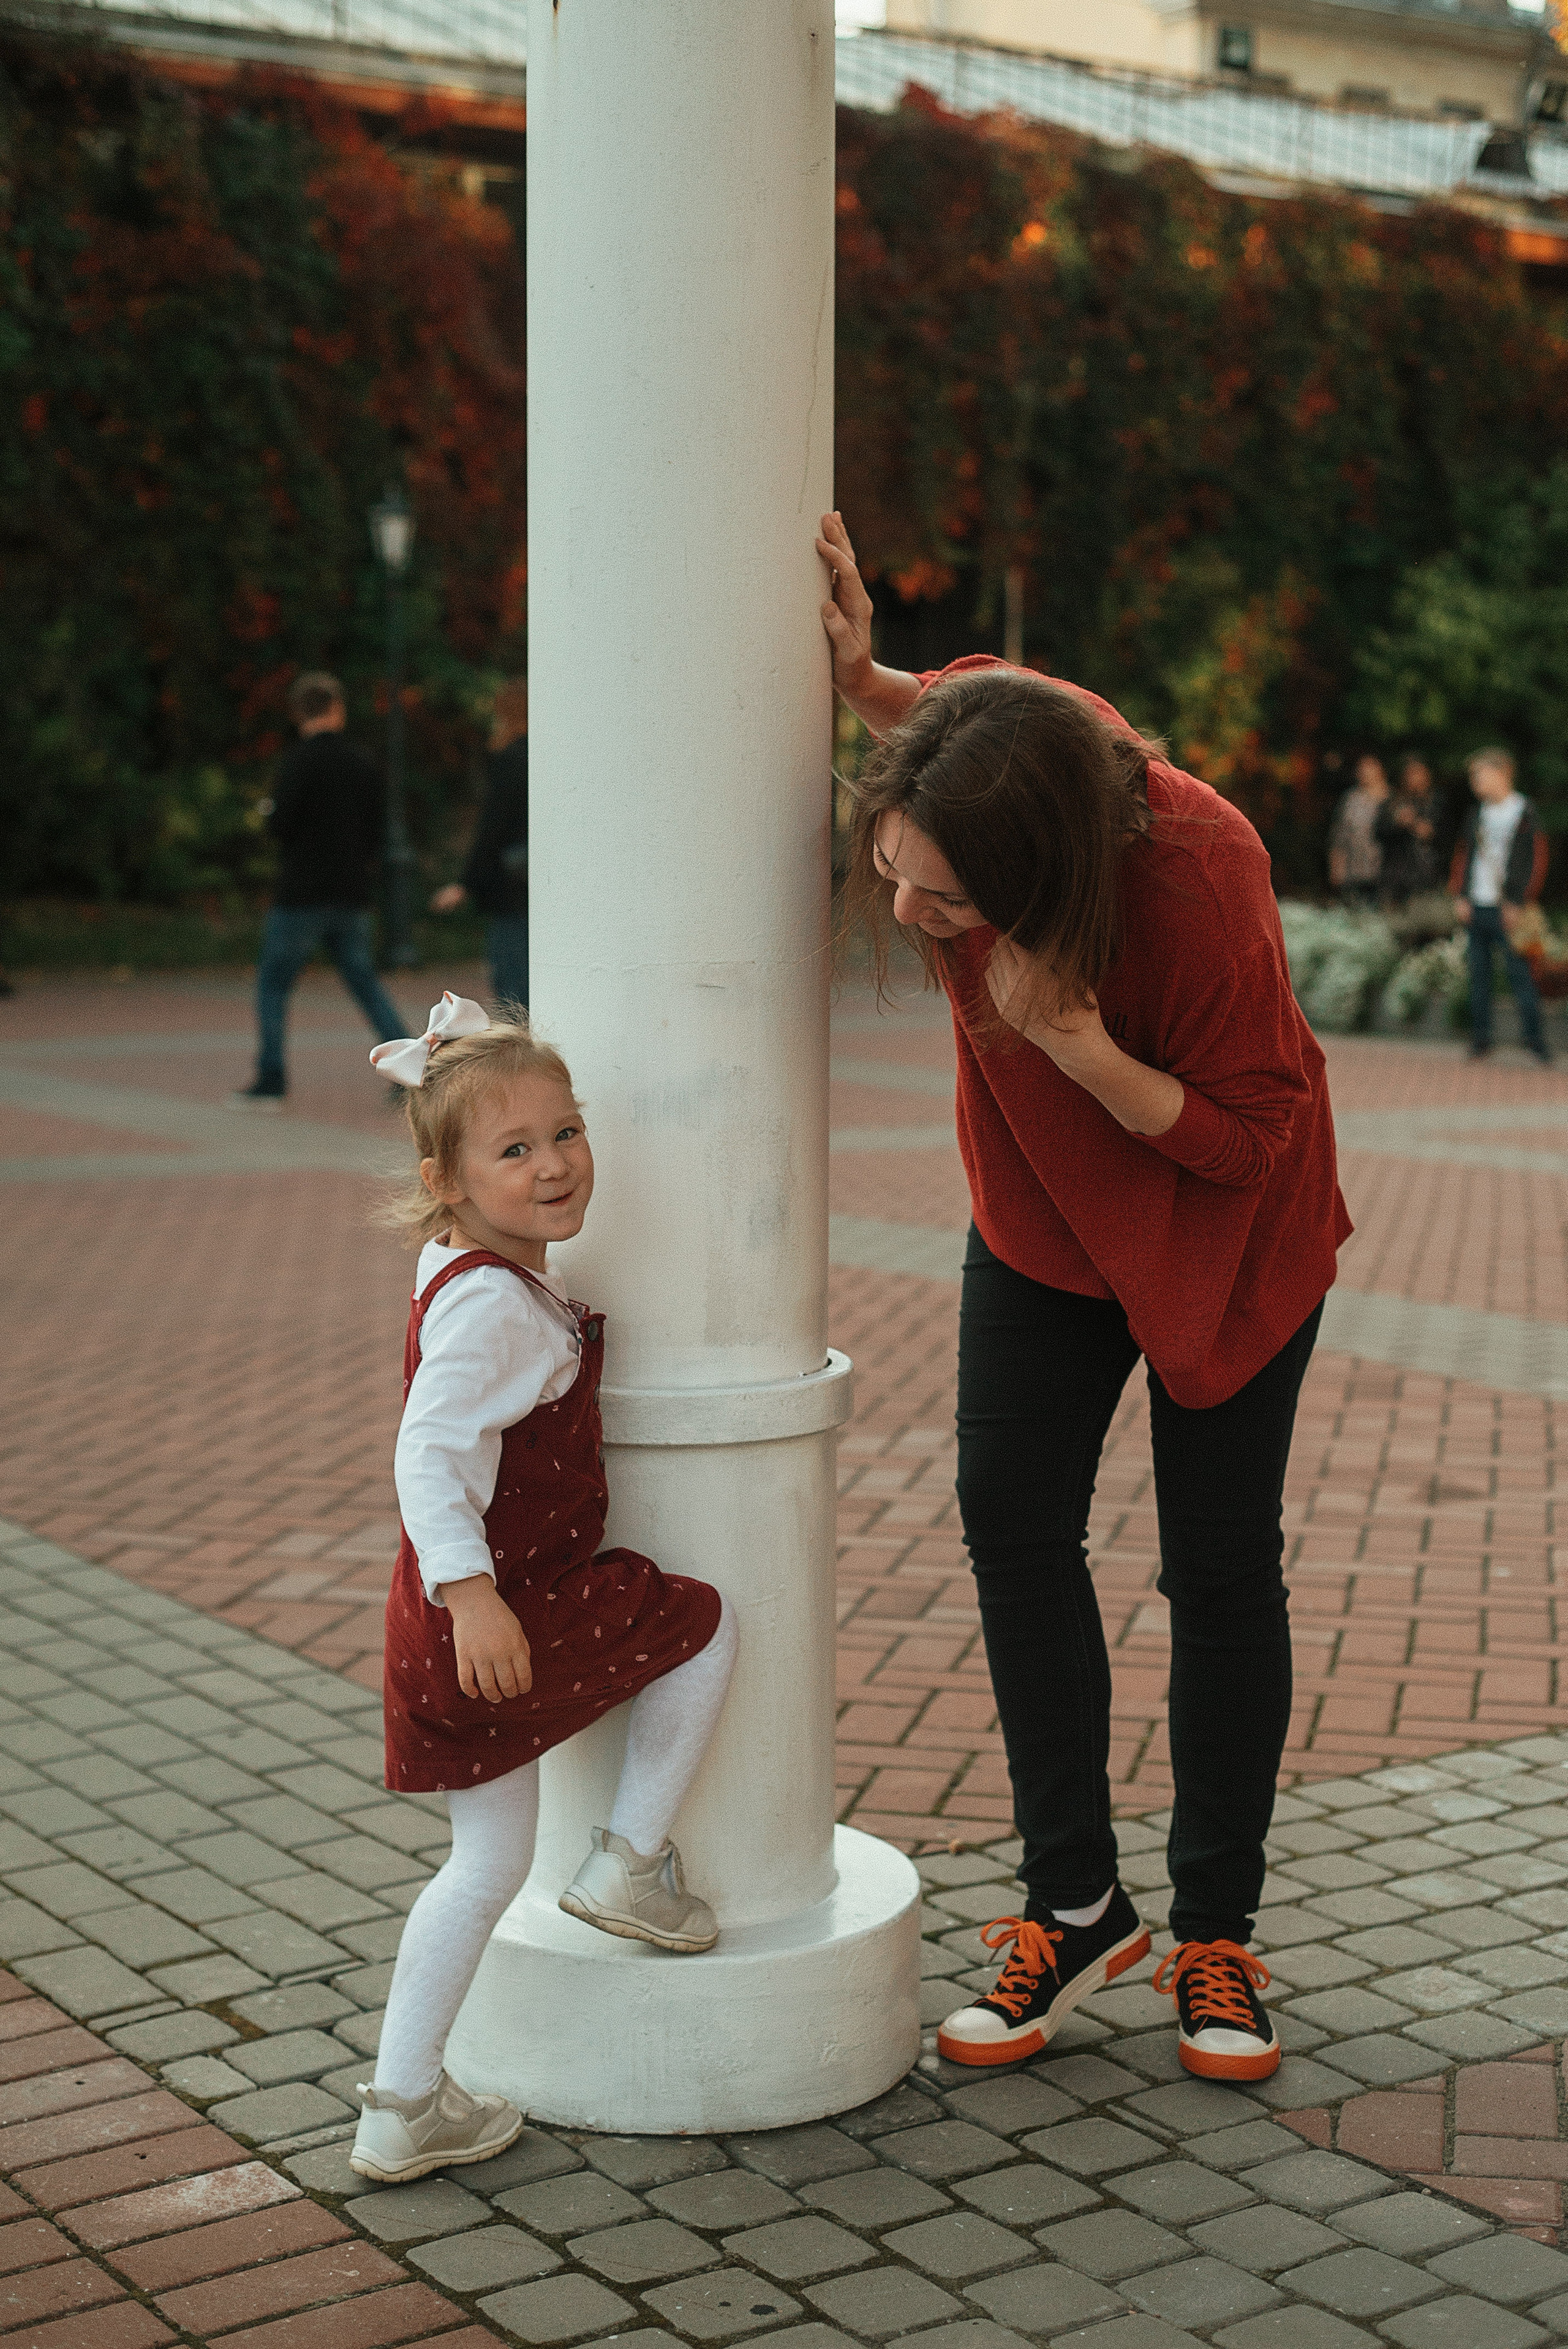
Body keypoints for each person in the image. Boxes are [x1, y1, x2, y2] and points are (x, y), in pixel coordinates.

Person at [817, 510, 1349, 2083]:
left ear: (1039, 872)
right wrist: (857, 679)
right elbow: (941, 711)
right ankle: (1073, 1901)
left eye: (941, 901)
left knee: (1217, 1568)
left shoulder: (1199, 870)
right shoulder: (1003, 742)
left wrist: (1076, 1044)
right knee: (1010, 1521)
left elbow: (1250, 1136)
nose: (909, 919)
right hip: (1043, 1222)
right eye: (892, 876)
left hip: (1225, 1232)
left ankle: (1214, 1932)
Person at [350, 994, 737, 2183]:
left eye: (567, 1132)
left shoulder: (466, 1269)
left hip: (450, 1623)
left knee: (483, 1867)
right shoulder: (490, 1305)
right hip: (498, 1612)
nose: (556, 1164)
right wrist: (473, 1594)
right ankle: (630, 1858)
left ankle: (402, 2104)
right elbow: (428, 1453)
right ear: (446, 1181)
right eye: (514, 1150)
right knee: (699, 1623)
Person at [235, 673, 405, 1107]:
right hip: (351, 892)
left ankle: (271, 1079)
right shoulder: (362, 762)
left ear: (298, 714)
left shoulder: (297, 763)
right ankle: (410, 1068)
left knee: (274, 985)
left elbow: (280, 826)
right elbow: (377, 829)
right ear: (337, 709)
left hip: (301, 893)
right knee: (365, 983)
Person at [431, 681, 529, 1009]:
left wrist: (465, 883)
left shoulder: (510, 760)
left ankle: (517, 1042)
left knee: (512, 986)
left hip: (512, 884)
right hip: (542, 881)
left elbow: (493, 827)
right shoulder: (545, 757)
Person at [1450, 747, 1550, 1065]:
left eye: (1479, 774)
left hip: (1509, 909)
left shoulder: (1524, 812)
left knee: (1521, 976)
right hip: (1477, 905)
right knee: (1478, 977)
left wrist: (1518, 902)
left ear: (1502, 773)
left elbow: (1537, 860)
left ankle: (1536, 1042)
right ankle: (1481, 1040)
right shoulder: (1477, 814)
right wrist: (1461, 896)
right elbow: (1464, 856)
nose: (1475, 781)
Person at [1375, 755, 1440, 907]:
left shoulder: (1437, 801)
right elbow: (1378, 833)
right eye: (1410, 774)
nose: (1414, 778)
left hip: (1428, 878)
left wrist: (1417, 825)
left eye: (1418, 773)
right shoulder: (1392, 802)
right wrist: (1397, 824)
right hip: (1396, 879)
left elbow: (1444, 836)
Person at [1327, 753, 1389, 909]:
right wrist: (1336, 866)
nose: (1365, 773)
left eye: (1370, 768)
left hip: (1384, 874)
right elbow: (1339, 836)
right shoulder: (1350, 800)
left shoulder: (1391, 799)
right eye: (1361, 769)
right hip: (1353, 872)